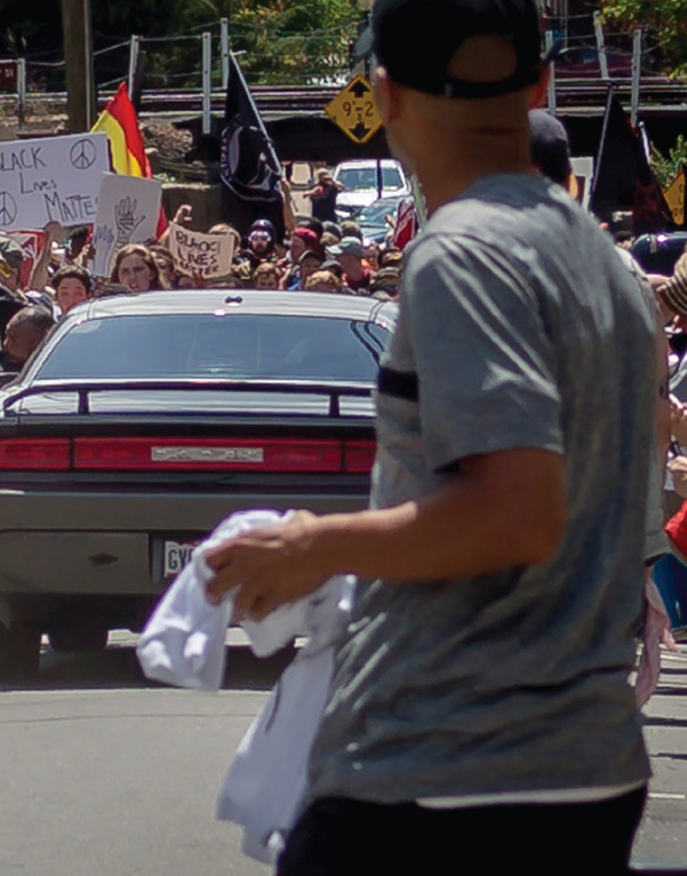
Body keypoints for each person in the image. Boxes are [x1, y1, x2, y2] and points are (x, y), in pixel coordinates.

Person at [205, 1, 657, 872]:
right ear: (538, 83)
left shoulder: (463, 252)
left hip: (440, 763)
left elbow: (515, 511)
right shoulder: (612, 271)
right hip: (588, 764)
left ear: (385, 94)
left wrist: (314, 544)